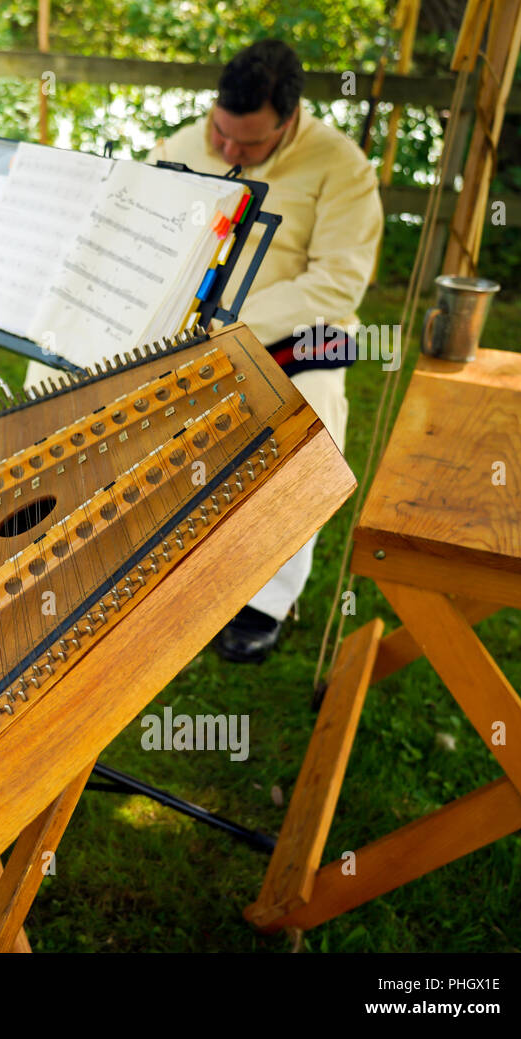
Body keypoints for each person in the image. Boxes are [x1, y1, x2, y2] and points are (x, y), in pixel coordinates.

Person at [148, 38, 383, 663]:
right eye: (220, 134)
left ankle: (266, 596)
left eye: (248, 146)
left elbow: (337, 282)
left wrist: (229, 325)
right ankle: (139, 561)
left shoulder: (342, 165)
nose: (228, 152)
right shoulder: (177, 147)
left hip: (298, 329)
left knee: (311, 416)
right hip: (186, 322)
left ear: (290, 117)